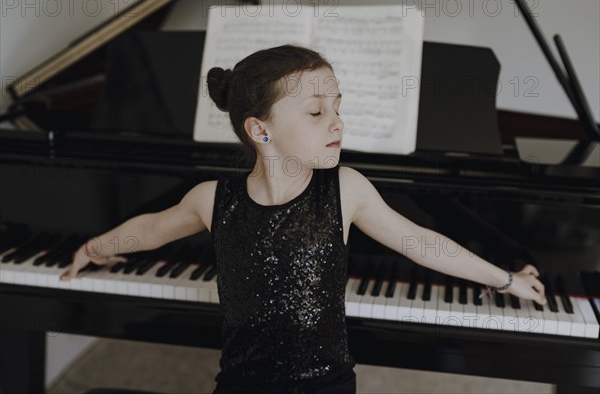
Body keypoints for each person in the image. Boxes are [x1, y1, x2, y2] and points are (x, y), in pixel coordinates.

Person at [61, 44, 547, 394]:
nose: (337, 122)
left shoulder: (345, 189)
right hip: (241, 383)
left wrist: (504, 279)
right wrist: (95, 247)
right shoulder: (212, 199)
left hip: (326, 384)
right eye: (316, 112)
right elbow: (149, 229)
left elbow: (420, 241)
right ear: (260, 129)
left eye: (338, 107)